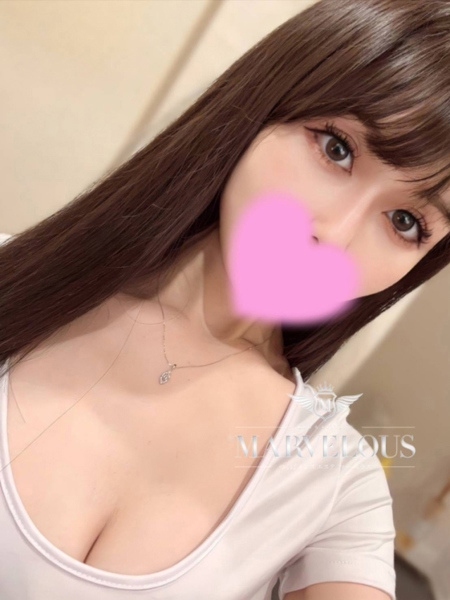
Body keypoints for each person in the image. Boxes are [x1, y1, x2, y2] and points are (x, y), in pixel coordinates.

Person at [1, 0, 450, 598]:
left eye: (404, 222)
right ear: (265, 101)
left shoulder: (335, 483)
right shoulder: (17, 281)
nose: (335, 235)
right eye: (336, 149)